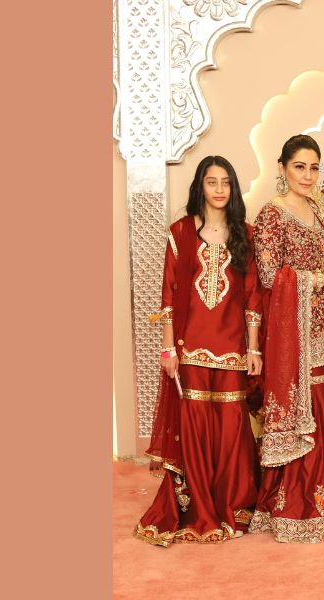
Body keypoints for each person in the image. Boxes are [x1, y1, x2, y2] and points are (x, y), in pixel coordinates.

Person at [135, 155, 263, 546]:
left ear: (233, 188)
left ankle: (232, 505)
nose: (219, 189)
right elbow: (169, 295)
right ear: (200, 187)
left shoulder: (246, 235)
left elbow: (252, 298)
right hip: (189, 350)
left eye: (226, 182)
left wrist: (254, 350)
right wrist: (167, 350)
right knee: (194, 430)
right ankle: (199, 507)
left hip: (233, 351)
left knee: (231, 430)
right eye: (212, 182)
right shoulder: (181, 233)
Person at [249, 134, 324, 543]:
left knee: (321, 404)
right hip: (291, 334)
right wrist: (322, 279)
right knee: (302, 404)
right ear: (282, 168)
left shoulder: (318, 210)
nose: (307, 175)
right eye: (299, 167)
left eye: (314, 167)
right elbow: (270, 276)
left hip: (322, 328)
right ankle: (296, 506)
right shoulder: (272, 214)